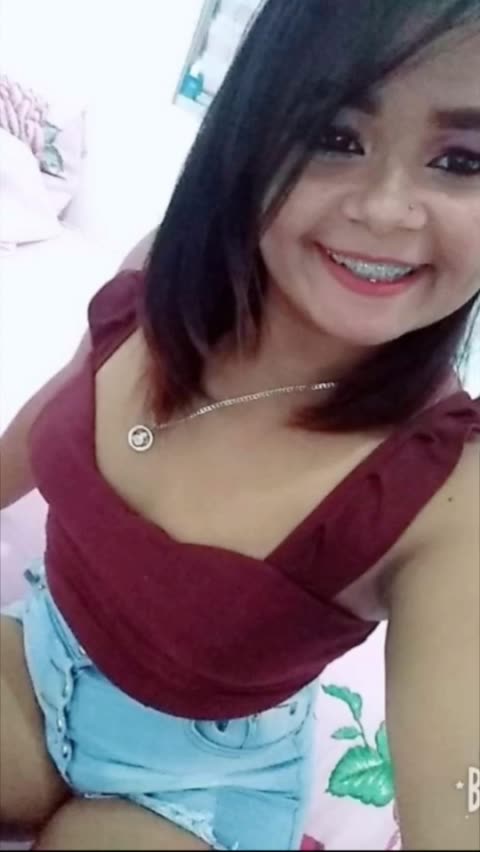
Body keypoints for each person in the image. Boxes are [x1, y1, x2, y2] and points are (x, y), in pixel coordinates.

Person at [1, 0, 479, 848]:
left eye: (461, 161)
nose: (387, 210)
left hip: (199, 791)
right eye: (335, 137)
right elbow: (56, 403)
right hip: (37, 659)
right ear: (251, 134)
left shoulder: (449, 493)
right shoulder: (160, 279)